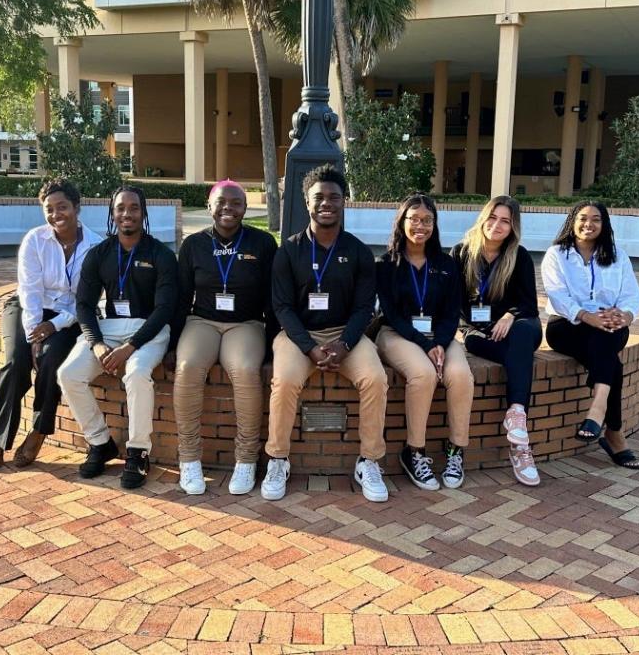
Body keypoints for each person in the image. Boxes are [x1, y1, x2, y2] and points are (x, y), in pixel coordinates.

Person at [261, 164, 389, 502]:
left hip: (345, 334)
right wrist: (309, 348)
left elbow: (365, 308)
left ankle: (369, 460)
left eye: (334, 197)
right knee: (285, 380)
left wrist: (345, 343)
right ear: (307, 202)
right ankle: (277, 458)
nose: (327, 203)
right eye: (319, 197)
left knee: (375, 378)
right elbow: (282, 307)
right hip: (297, 335)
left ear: (344, 201)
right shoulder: (288, 250)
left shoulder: (359, 251)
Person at [57, 185, 178, 489]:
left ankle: (138, 453)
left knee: (136, 374)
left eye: (134, 208)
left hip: (149, 329)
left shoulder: (161, 253)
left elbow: (165, 308)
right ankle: (100, 443)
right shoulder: (100, 254)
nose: (127, 214)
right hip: (109, 329)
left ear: (143, 212)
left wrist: (130, 347)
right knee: (68, 374)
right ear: (113, 213)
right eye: (121, 208)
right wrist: (96, 344)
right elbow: (84, 305)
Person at [0, 179, 100, 470]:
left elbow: (85, 300)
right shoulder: (35, 240)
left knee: (52, 360)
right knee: (15, 362)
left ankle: (38, 431)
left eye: (62, 207)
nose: (56, 214)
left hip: (68, 316)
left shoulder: (96, 246)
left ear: (76, 207)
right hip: (26, 307)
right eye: (49, 209)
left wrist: (55, 326)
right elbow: (30, 291)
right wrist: (35, 333)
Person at [171, 180, 277, 496]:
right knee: (188, 366)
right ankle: (189, 458)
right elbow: (181, 297)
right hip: (202, 321)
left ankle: (245, 460)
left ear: (245, 208)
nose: (228, 208)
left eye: (235, 202)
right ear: (210, 206)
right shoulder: (194, 245)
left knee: (245, 370)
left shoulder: (262, 243)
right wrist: (172, 343)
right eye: (221, 202)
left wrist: (271, 350)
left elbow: (273, 299)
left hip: (245, 324)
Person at [375, 194, 473, 490]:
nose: (421, 225)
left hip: (439, 336)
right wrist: (425, 343)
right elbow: (391, 313)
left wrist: (440, 342)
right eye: (414, 219)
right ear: (401, 222)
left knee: (460, 376)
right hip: (396, 333)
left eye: (427, 220)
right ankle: (414, 451)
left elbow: (451, 310)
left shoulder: (446, 264)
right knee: (423, 374)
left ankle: (456, 450)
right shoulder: (386, 263)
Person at [541, 200, 639, 470]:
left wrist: (625, 316)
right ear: (572, 221)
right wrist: (588, 317)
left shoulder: (618, 256)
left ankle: (598, 412)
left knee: (607, 337)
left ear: (604, 224)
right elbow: (557, 295)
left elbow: (632, 296)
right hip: (567, 326)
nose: (589, 224)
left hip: (609, 326)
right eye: (583, 218)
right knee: (610, 356)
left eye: (596, 219)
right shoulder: (556, 254)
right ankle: (613, 432)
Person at [451, 195, 542, 487]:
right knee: (515, 354)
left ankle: (517, 414)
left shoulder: (520, 256)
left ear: (513, 227)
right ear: (483, 218)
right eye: (493, 217)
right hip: (479, 333)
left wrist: (509, 316)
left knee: (524, 333)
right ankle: (520, 447)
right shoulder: (461, 253)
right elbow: (453, 304)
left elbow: (529, 304)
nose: (497, 225)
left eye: (505, 221)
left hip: (517, 328)